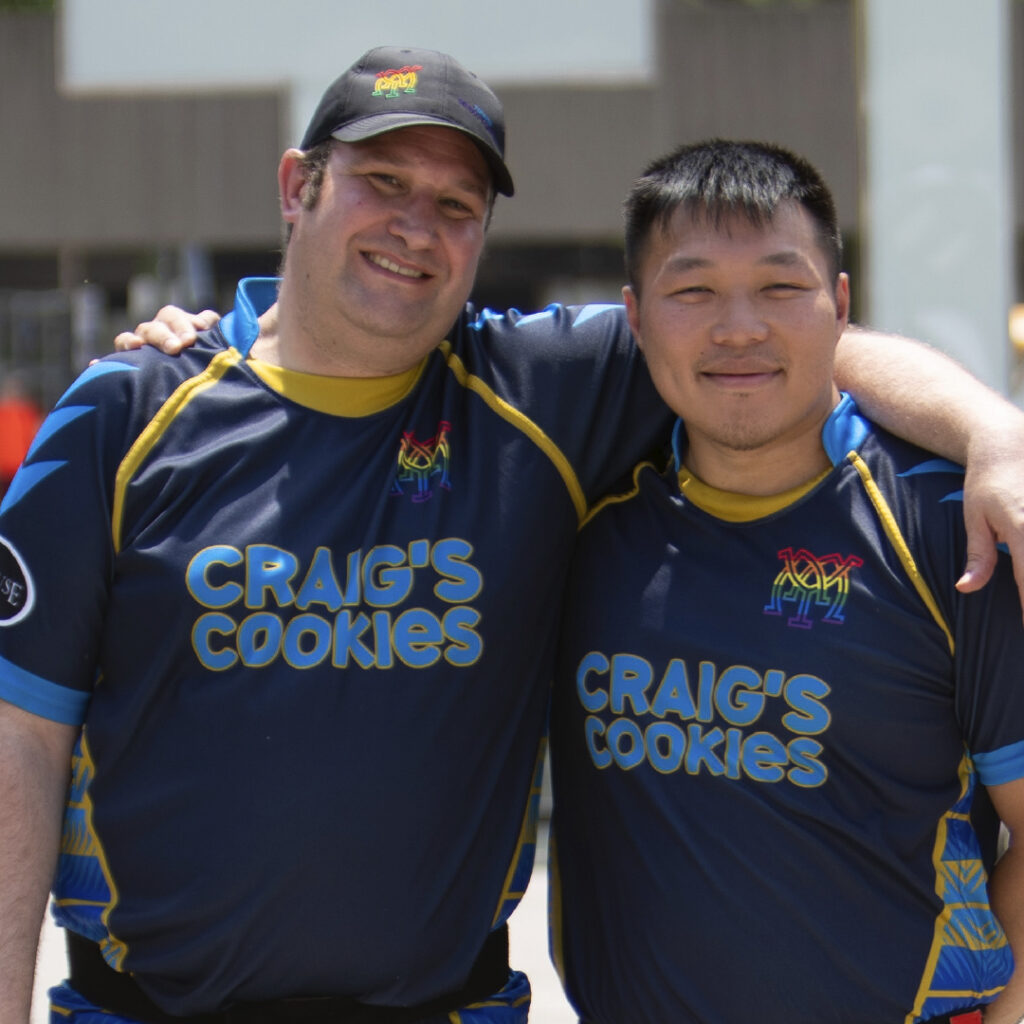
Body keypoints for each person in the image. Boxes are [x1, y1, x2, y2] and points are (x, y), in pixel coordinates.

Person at [3, 45, 1024, 1024]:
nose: (415, 226)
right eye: (382, 181)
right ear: (296, 186)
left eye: (455, 206)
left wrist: (993, 430)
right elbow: (21, 743)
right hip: (144, 1010)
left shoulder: (539, 394)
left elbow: (788, 347)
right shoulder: (128, 414)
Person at [548, 139, 1024, 1024]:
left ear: (839, 307)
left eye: (780, 286)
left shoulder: (947, 529)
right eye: (692, 291)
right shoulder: (578, 515)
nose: (739, 328)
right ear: (635, 318)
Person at [0, 374, 42, 498]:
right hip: (7, 468)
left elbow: (35, 434)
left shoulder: (27, 412)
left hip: (21, 466)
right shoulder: (5, 413)